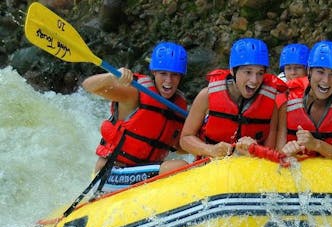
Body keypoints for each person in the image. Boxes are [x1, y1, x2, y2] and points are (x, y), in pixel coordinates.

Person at [82, 41, 189, 193]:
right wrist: (111, 77)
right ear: (154, 72)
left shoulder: (178, 107)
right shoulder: (134, 94)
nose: (168, 80)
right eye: (163, 73)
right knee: (179, 167)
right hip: (112, 174)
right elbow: (88, 85)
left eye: (174, 75)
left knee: (189, 166)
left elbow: (180, 146)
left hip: (142, 173)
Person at [178, 37, 287, 159]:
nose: (255, 80)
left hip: (248, 166)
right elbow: (185, 139)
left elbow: (269, 151)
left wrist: (255, 148)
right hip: (211, 165)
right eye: (248, 72)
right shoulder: (206, 96)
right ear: (232, 71)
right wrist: (210, 149)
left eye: (260, 73)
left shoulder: (270, 105)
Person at [276, 41, 332, 167]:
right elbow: (278, 152)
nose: (326, 81)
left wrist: (317, 145)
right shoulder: (287, 102)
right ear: (309, 71)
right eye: (320, 72)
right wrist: (287, 152)